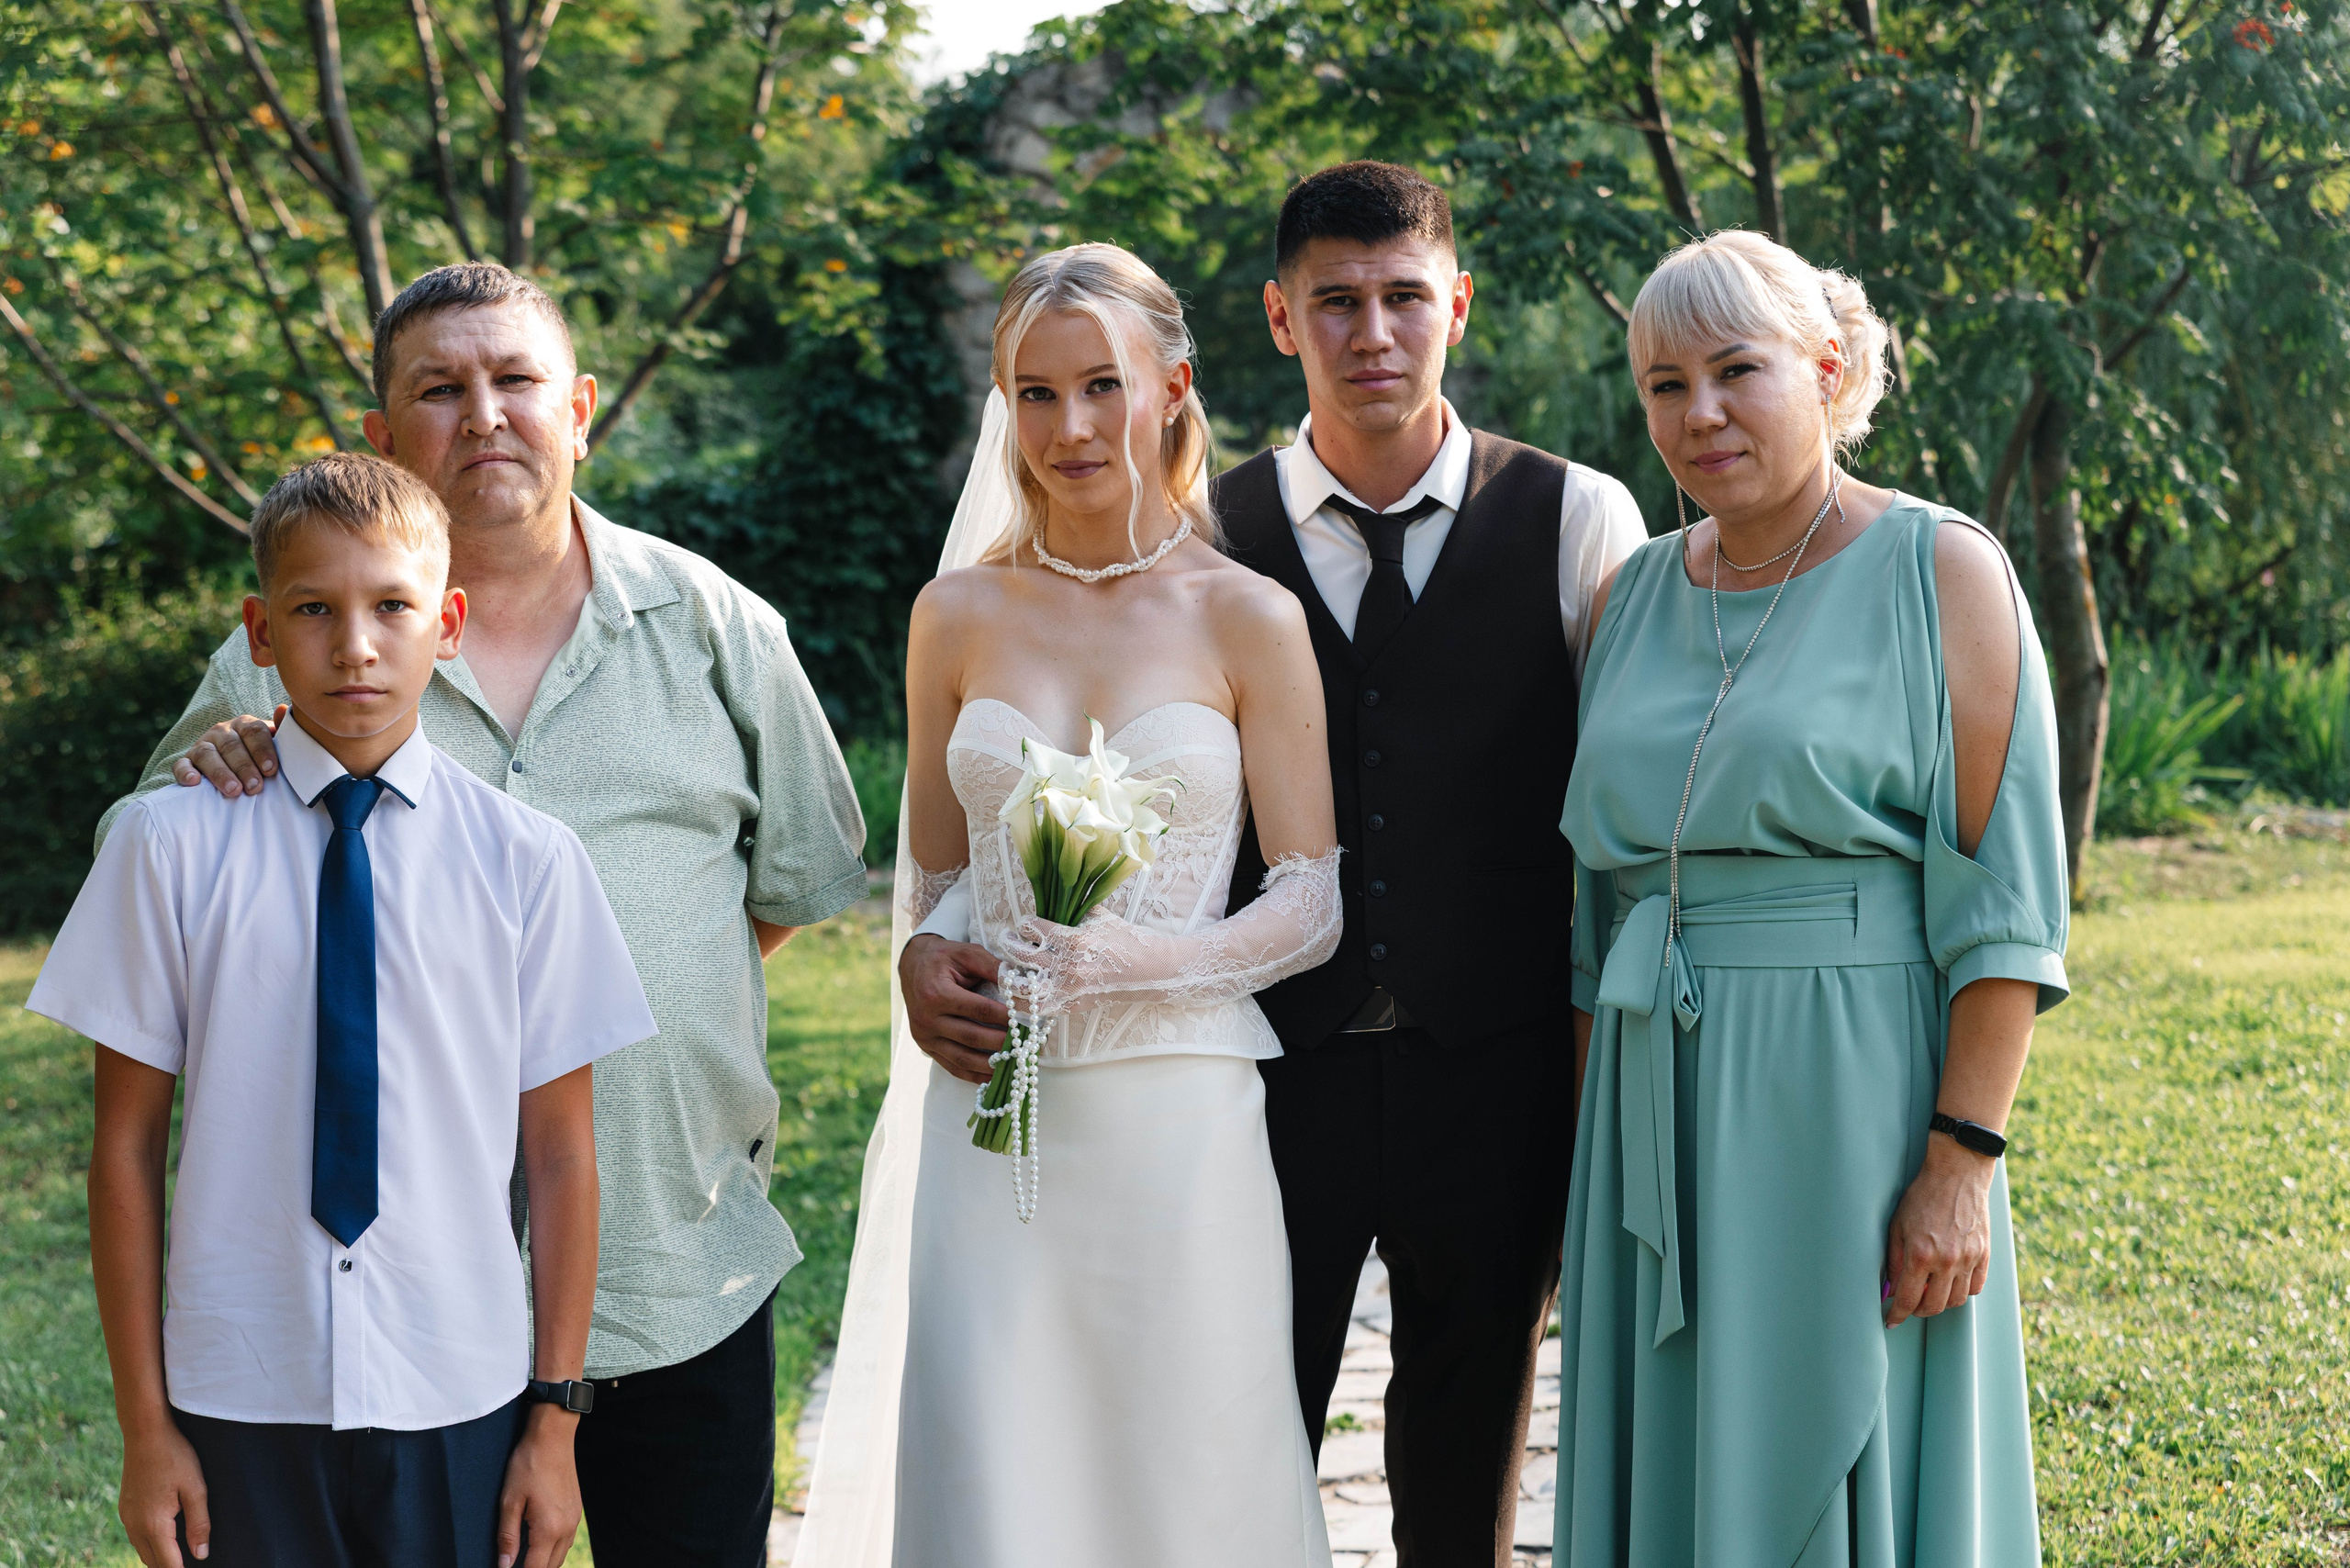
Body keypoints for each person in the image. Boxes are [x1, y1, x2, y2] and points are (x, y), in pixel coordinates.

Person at [97, 263, 869, 1564]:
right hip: (364, 1324)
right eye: (440, 390)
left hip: (667, 1268)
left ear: (579, 410)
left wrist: (619, 992)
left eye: (516, 380)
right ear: (383, 435)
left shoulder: (720, 627)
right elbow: (179, 876)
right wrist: (226, 749)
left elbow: (791, 886)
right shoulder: (275, 657)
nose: (486, 414)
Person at [797, 242, 1340, 1568]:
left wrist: (1134, 960)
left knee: (1188, 1473)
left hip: (1180, 1119)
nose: (1070, 427)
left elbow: (1312, 901)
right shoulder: (956, 612)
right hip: (992, 1128)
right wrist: (924, 962)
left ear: (1172, 386)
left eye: (1101, 385)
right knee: (998, 1466)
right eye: (1032, 395)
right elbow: (931, 877)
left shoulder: (1249, 616)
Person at [35, 454, 655, 1568]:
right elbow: (123, 1151)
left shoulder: (529, 863)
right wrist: (144, 1427)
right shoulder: (166, 847)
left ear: (448, 622)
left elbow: (563, 1157)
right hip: (238, 1389)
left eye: (392, 607)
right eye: (314, 609)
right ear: (260, 630)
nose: (356, 645)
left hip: (457, 1387)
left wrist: (553, 1422)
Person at [1555, 230, 2069, 1565]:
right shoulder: (1630, 597)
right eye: (1666, 384)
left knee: (1842, 1441)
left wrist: (1960, 1163)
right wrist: (1579, 1148)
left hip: (1849, 1090)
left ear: (1827, 370)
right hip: (1642, 1105)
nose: (1701, 412)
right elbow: (1593, 908)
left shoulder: (1941, 571)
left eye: (1738, 370)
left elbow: (2006, 902)